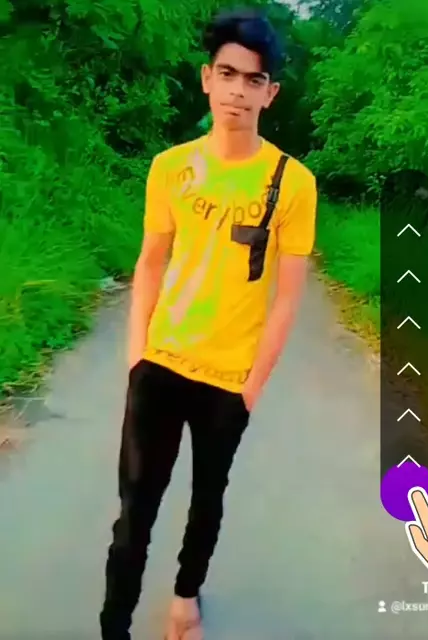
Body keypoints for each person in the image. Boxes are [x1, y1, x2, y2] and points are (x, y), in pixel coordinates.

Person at [99, 7, 318, 640]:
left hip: (229, 379)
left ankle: (185, 596)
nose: (238, 92)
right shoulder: (171, 168)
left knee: (207, 498)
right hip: (161, 365)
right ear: (206, 78)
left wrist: (251, 387)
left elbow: (287, 298)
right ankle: (113, 626)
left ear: (270, 93)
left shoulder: (293, 184)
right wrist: (136, 356)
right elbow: (150, 263)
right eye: (227, 74)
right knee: (134, 514)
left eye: (254, 80)